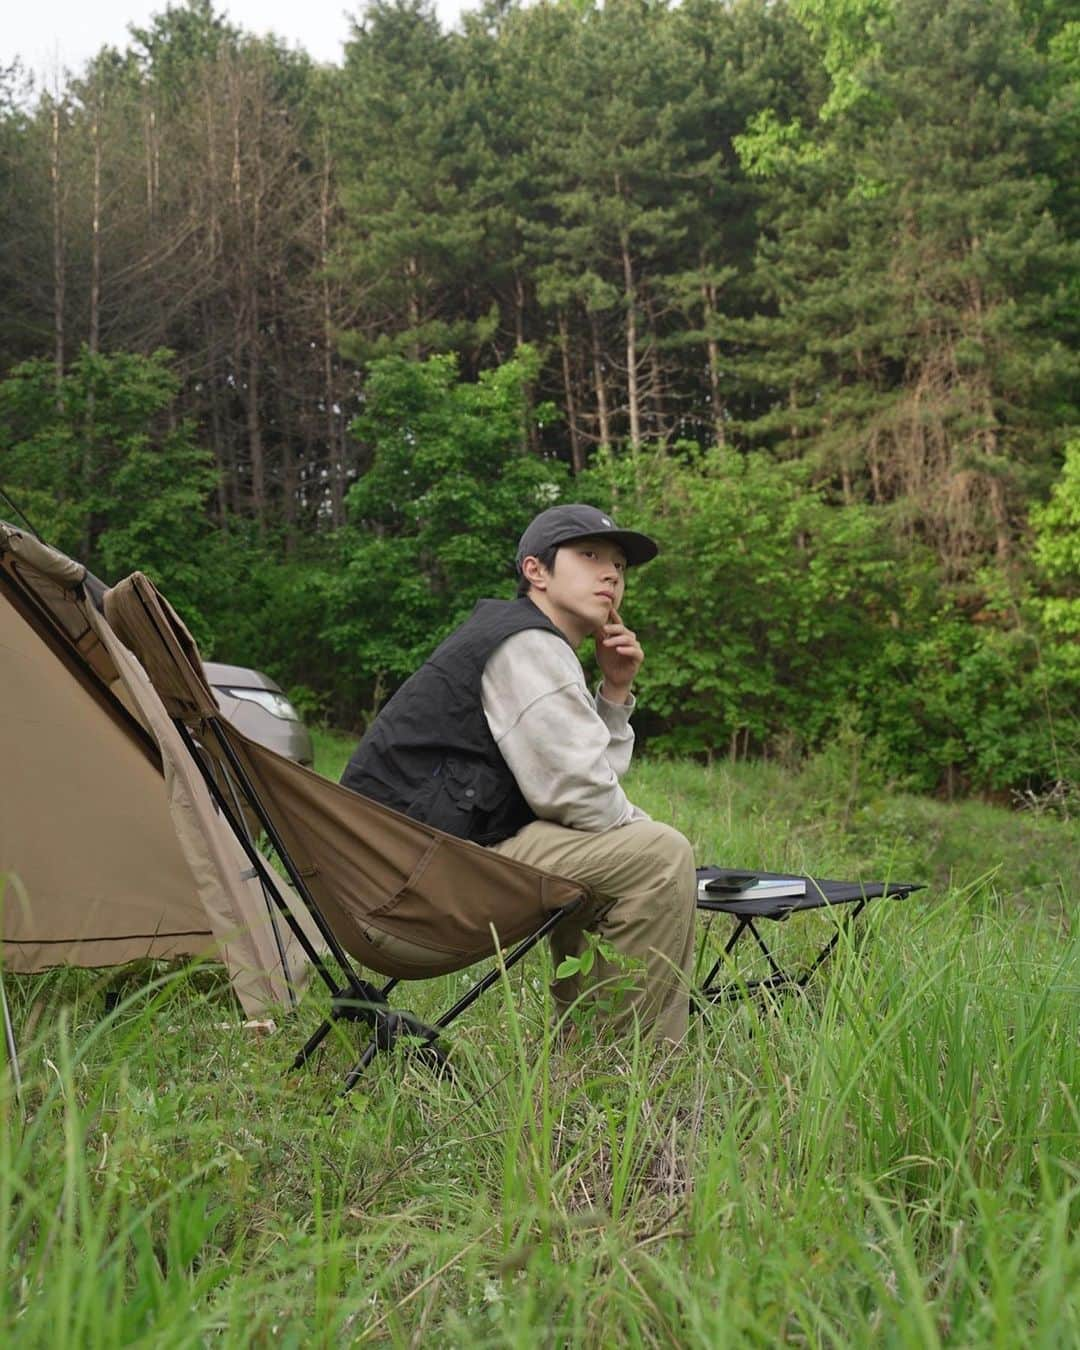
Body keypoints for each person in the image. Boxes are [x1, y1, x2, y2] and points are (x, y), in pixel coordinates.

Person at [340, 504, 697, 1042]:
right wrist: (642, 833)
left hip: (389, 879)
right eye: (591, 556)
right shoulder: (528, 644)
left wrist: (615, 691)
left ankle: (592, 1054)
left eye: (620, 566)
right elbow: (582, 797)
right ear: (536, 571)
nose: (611, 574)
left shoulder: (518, 638)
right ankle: (632, 1071)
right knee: (661, 857)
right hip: (410, 893)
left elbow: (588, 781)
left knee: (621, 855)